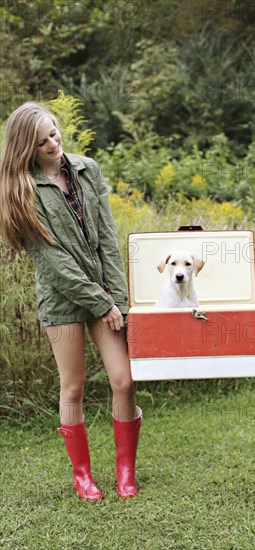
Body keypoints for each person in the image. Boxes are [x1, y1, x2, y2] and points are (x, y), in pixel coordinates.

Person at [0, 102, 142, 502]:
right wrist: (101, 303)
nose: (53, 144)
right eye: (43, 141)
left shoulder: (87, 169)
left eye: (55, 132)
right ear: (26, 147)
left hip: (104, 296)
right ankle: (82, 476)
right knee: (73, 387)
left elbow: (108, 239)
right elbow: (52, 261)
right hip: (63, 301)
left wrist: (119, 300)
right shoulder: (20, 188)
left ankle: (125, 471)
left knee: (123, 379)